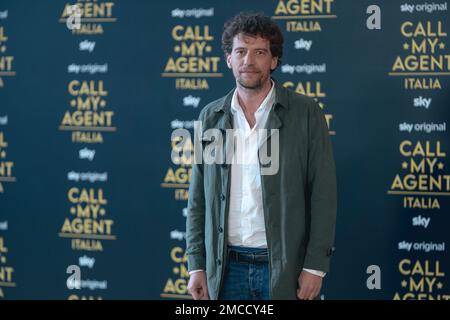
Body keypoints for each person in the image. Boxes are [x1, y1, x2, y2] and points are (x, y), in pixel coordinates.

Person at [185, 12, 337, 300]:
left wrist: (315, 267)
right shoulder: (211, 117)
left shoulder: (306, 113)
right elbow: (198, 199)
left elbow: (323, 194)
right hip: (226, 269)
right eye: (240, 51)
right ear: (229, 58)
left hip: (285, 269)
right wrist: (196, 265)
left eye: (259, 52)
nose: (248, 61)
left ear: (274, 60)